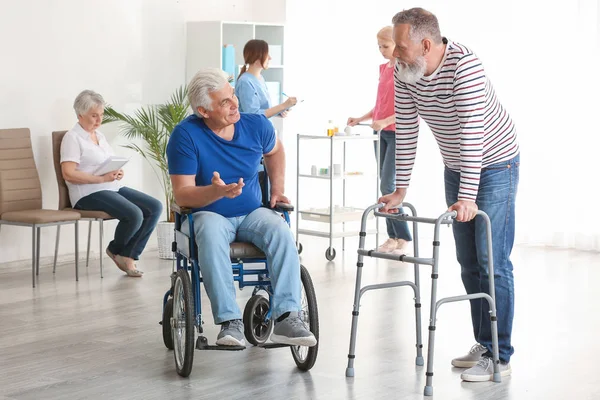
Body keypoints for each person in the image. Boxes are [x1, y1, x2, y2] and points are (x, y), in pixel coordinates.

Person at [380, 8, 520, 382]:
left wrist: (468, 196)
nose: (394, 54)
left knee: (492, 260)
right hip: (457, 166)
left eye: (401, 46)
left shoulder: (465, 69)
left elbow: (473, 136)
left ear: (426, 44)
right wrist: (400, 189)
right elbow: (407, 130)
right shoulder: (406, 71)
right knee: (467, 260)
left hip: (495, 163)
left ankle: (499, 355)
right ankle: (484, 342)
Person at [166, 68, 316, 348]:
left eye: (232, 95)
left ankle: (287, 317)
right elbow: (183, 195)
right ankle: (230, 323)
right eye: (224, 102)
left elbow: (275, 151)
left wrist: (278, 188)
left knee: (280, 231)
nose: (235, 104)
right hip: (207, 214)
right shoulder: (185, 136)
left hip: (251, 213)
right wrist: (215, 192)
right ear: (203, 110)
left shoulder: (256, 125)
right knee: (209, 233)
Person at [60, 90, 163, 277]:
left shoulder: (99, 136)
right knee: (134, 214)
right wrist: (100, 179)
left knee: (154, 207)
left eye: (101, 115)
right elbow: (68, 173)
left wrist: (116, 171)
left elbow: (106, 162)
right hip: (88, 194)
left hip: (110, 187)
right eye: (94, 115)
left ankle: (127, 254)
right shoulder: (72, 138)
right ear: (80, 114)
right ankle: (116, 250)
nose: (99, 120)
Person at [347, 26, 412, 254]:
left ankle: (402, 236)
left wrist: (385, 121)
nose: (382, 50)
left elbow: (410, 108)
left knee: (389, 185)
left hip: (399, 134)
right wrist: (362, 118)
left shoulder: (405, 70)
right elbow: (381, 104)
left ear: (397, 45)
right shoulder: (384, 69)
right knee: (385, 186)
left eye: (385, 46)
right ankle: (393, 236)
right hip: (382, 133)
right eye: (379, 47)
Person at [235, 39, 297, 118]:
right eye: (267, 55)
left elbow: (264, 109)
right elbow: (253, 115)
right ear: (257, 58)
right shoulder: (245, 82)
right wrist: (283, 106)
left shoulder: (260, 78)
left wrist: (279, 111)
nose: (270, 58)